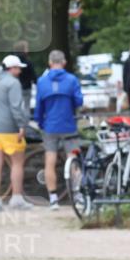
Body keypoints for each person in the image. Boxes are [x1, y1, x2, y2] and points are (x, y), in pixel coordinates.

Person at [34, 49, 83, 210]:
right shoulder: (72, 80)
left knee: (50, 161)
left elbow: (39, 107)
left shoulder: (42, 82)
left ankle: (53, 198)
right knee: (74, 160)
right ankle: (77, 195)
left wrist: (40, 123)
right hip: (68, 124)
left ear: (49, 63)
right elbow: (78, 101)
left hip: (50, 126)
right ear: (64, 62)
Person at [0, 54, 32, 211]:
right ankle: (16, 198)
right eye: (18, 68)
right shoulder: (13, 83)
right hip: (8, 128)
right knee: (17, 163)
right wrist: (22, 126)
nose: (19, 71)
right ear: (11, 68)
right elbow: (16, 107)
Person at [13, 39, 37, 112]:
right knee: (26, 107)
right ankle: (25, 121)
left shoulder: (12, 60)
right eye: (27, 48)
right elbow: (33, 76)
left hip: (14, 88)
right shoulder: (27, 62)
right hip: (26, 88)